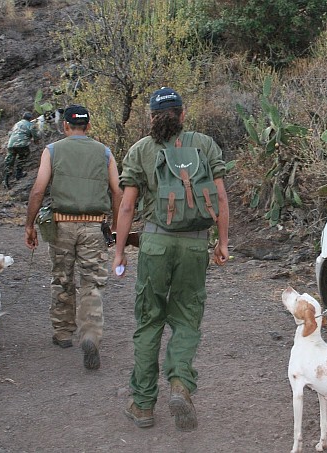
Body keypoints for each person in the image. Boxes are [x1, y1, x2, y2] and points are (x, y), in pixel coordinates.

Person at [112, 87, 229, 432]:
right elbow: (219, 197)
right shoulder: (205, 145)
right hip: (194, 245)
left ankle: (143, 404)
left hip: (155, 244)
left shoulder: (141, 150)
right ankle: (179, 385)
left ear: (151, 117)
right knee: (187, 319)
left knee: (149, 321)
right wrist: (222, 242)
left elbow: (127, 206)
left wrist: (119, 251)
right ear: (182, 114)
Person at [24, 104, 122, 370]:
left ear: (65, 125)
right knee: (91, 282)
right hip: (94, 226)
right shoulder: (104, 152)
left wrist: (29, 225)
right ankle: (89, 334)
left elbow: (38, 190)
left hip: (62, 226)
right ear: (88, 126)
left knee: (62, 278)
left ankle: (63, 333)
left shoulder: (53, 150)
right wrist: (115, 227)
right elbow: (117, 192)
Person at [4, 111, 40, 188]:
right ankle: (19, 174)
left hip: (11, 144)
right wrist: (37, 140)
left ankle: (6, 180)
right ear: (30, 118)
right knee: (23, 157)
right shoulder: (31, 125)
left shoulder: (16, 124)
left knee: (9, 161)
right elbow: (35, 136)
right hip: (22, 144)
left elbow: (10, 133)